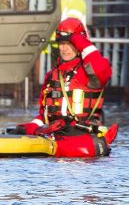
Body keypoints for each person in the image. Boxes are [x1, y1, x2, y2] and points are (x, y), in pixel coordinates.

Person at [14, 18, 118, 156]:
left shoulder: (87, 73)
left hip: (82, 140)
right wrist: (34, 127)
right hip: (54, 138)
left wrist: (77, 39)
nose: (65, 48)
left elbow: (101, 68)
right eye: (62, 44)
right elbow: (45, 113)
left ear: (79, 44)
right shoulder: (52, 75)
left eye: (70, 44)